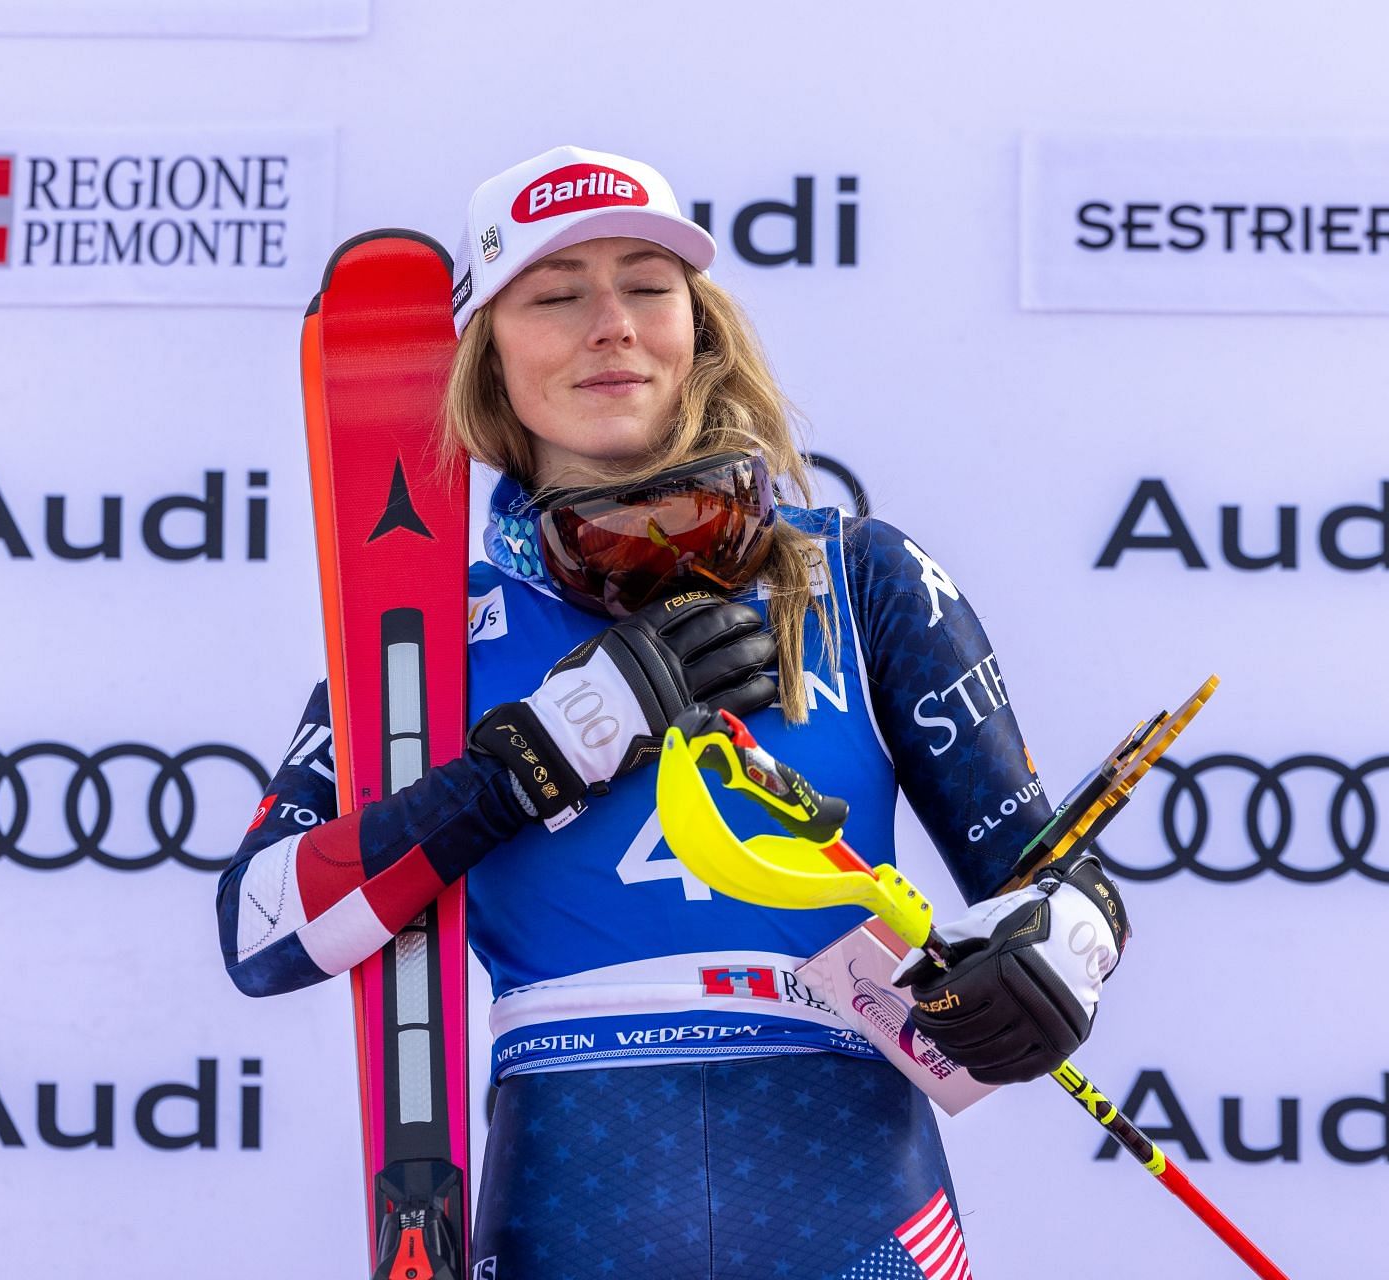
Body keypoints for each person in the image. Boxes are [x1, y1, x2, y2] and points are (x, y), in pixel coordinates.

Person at [216, 144, 1131, 1279]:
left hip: (854, 1208)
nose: (611, 322)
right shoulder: (426, 635)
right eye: (555, 295)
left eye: (649, 284)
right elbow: (261, 931)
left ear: (697, 324)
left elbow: (1058, 871)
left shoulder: (860, 575)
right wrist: (531, 758)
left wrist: (1061, 951)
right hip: (569, 1203)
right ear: (488, 362)